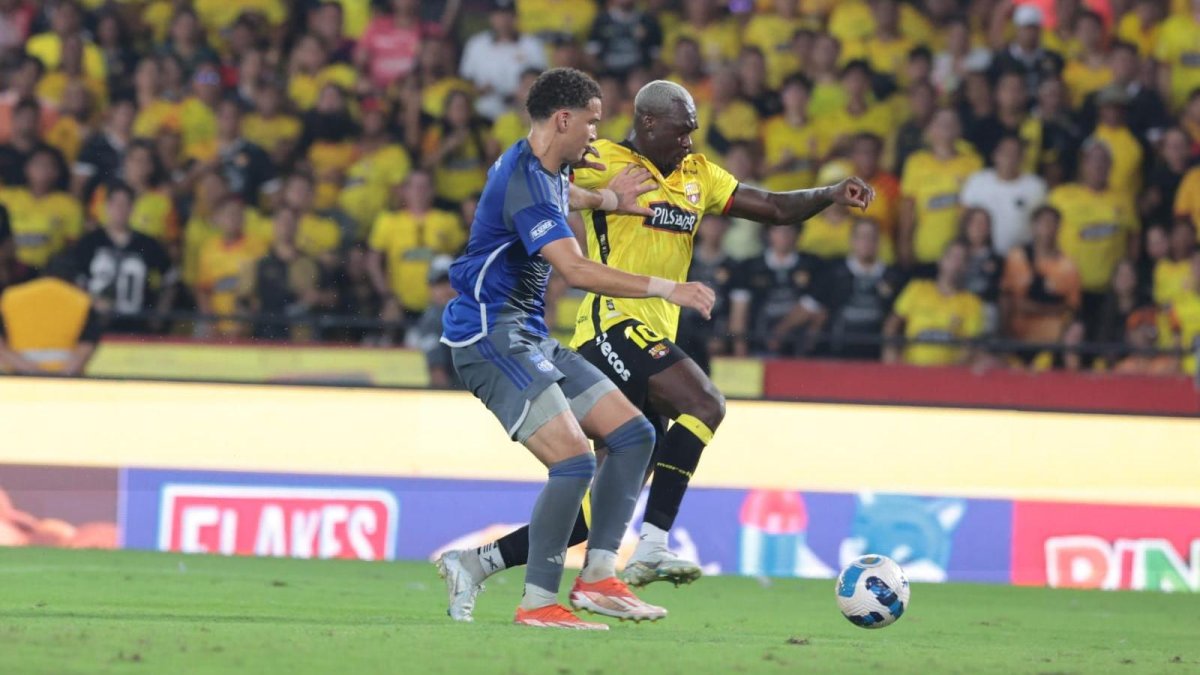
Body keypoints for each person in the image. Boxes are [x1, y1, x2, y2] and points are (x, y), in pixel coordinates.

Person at [441, 78, 873, 613]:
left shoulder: (700, 176)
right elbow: (546, 195)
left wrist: (827, 195)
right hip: (609, 326)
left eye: (693, 131)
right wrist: (608, 201)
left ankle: (480, 562)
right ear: (649, 123)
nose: (690, 140)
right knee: (704, 403)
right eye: (682, 130)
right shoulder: (601, 156)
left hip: (652, 333)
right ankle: (650, 547)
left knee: (605, 495)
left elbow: (773, 209)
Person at [436, 68, 716, 630]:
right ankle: (539, 603)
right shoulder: (526, 178)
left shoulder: (538, 166)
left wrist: (610, 196)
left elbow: (562, 194)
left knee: (635, 434)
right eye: (591, 121)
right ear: (563, 118)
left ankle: (598, 579)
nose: (596, 135)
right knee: (574, 461)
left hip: (528, 334)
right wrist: (669, 289)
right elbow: (577, 269)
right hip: (490, 336)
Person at [70, 181, 175, 334]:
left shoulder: (147, 244)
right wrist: (91, 302)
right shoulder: (89, 242)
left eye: (125, 204)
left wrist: (158, 316)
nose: (120, 209)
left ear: (132, 208)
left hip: (136, 327)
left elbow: (171, 280)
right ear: (106, 207)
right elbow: (76, 280)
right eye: (115, 203)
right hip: (96, 326)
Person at [883, 240, 985, 367]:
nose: (956, 264)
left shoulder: (972, 302)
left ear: (966, 267)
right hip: (911, 368)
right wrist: (891, 350)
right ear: (941, 260)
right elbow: (892, 323)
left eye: (962, 259)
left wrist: (956, 371)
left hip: (948, 374)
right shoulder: (917, 288)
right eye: (952, 257)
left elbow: (970, 344)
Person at [960, 134, 1047, 255]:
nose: (1009, 157)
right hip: (981, 256)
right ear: (995, 155)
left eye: (1015, 153)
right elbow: (964, 217)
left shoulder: (1036, 186)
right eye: (1005, 152)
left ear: (1023, 157)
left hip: (1020, 258)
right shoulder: (977, 181)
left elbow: (1042, 224)